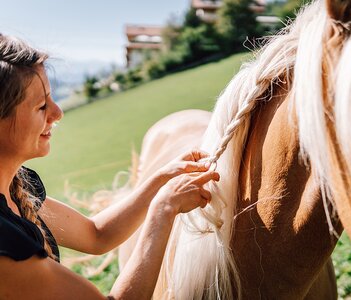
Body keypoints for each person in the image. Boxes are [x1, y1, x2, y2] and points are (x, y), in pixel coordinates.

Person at [0, 34, 220, 299]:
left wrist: (160, 177)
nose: (57, 113)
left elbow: (96, 235)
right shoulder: (5, 248)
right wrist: (164, 210)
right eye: (41, 106)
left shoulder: (17, 187)